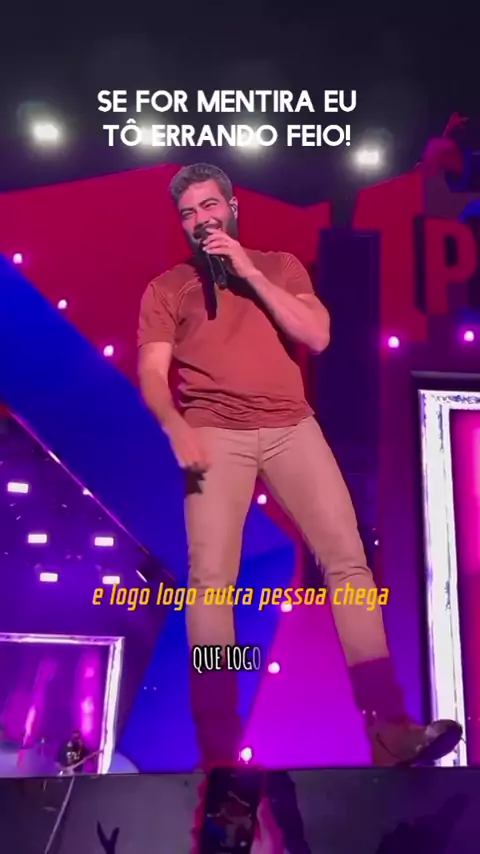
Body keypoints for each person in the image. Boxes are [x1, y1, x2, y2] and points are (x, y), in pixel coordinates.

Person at [137, 161, 462, 768]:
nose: (201, 220)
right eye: (188, 213)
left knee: (349, 564)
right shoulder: (168, 287)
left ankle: (389, 726)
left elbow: (316, 335)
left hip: (291, 426)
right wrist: (175, 425)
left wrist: (246, 270)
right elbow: (153, 373)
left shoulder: (279, 264)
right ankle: (218, 748)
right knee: (211, 582)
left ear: (232, 207)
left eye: (210, 206)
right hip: (213, 432)